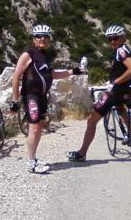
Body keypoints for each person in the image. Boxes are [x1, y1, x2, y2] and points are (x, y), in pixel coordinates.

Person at [10, 24, 81, 174]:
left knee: (40, 125)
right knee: (34, 127)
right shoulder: (28, 54)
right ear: (33, 39)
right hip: (31, 95)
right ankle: (31, 163)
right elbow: (16, 76)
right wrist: (15, 101)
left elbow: (52, 74)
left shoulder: (45, 56)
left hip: (42, 96)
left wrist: (72, 71)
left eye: (45, 36)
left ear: (49, 39)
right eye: (38, 36)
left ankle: (34, 157)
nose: (42, 38)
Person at [66, 25, 131, 162]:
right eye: (109, 39)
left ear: (123, 37)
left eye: (115, 38)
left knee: (92, 120)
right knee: (121, 109)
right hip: (126, 89)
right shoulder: (123, 49)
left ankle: (82, 153)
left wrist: (115, 82)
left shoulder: (121, 51)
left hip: (116, 90)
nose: (112, 41)